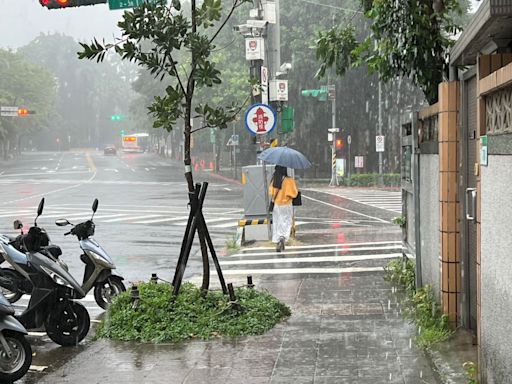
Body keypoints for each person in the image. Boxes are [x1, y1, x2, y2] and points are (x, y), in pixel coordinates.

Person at [269, 165, 298, 252]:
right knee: (286, 221)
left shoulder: (275, 180)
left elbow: (271, 193)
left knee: (277, 222)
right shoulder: (289, 180)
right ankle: (283, 238)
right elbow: (294, 194)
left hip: (277, 205)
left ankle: (278, 239)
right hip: (286, 204)